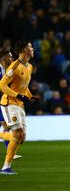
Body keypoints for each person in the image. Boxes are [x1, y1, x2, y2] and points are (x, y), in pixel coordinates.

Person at [0, 41, 38, 174]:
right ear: (23, 50)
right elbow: (2, 85)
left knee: (22, 138)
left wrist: (30, 96)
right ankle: (6, 167)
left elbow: (24, 86)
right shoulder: (14, 66)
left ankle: (1, 136)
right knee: (17, 133)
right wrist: (17, 95)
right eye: (30, 47)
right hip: (9, 102)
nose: (32, 49)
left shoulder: (30, 67)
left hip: (19, 104)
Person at [0, 50, 22, 160]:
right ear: (3, 57)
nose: (12, 58)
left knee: (5, 125)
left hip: (3, 100)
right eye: (10, 56)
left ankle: (10, 152)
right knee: (5, 124)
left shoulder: (6, 69)